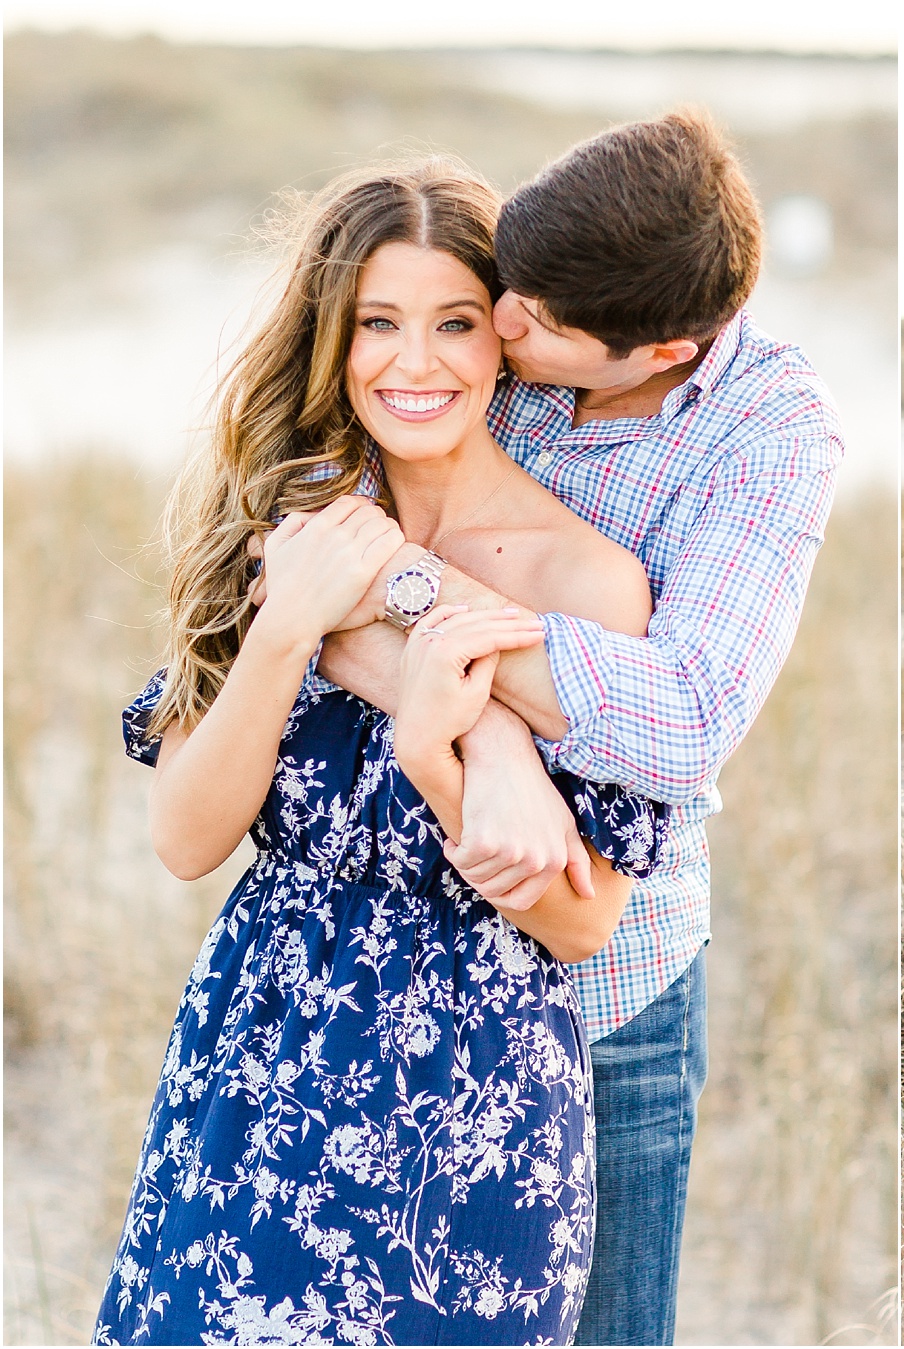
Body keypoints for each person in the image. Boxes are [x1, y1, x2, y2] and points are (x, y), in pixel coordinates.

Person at [96, 161, 668, 1345]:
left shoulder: (587, 581)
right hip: (256, 1066)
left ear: (507, 336)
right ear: (335, 339)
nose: (417, 364)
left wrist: (437, 754)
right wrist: (288, 627)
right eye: (379, 324)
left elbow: (582, 921)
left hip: (477, 1115)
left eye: (455, 323)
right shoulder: (277, 517)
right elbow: (186, 838)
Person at [308, 109, 843, 1345]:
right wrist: (487, 743)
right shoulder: (527, 298)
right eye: (509, 289)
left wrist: (427, 620)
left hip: (609, 975)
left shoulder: (768, 432)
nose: (496, 326)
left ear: (662, 347)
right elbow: (309, 527)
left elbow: (690, 717)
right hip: (397, 957)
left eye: (534, 324)